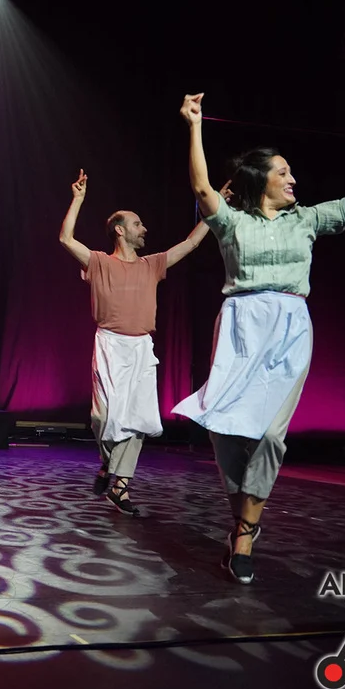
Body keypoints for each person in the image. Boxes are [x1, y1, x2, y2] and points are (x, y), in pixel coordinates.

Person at [172, 93, 345, 584]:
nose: (293, 178)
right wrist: (194, 125)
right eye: (283, 172)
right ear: (262, 181)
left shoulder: (308, 220)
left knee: (271, 434)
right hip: (240, 326)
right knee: (224, 429)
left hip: (289, 327)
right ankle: (244, 518)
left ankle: (244, 534)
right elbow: (202, 186)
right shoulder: (233, 222)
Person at [59, 169, 212, 516]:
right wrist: (78, 199)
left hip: (142, 346)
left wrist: (211, 212)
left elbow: (190, 244)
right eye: (137, 224)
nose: (144, 229)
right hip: (110, 344)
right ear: (120, 230)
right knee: (102, 417)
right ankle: (109, 464)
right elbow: (66, 239)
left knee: (139, 418)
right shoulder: (99, 262)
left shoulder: (151, 265)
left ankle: (120, 486)